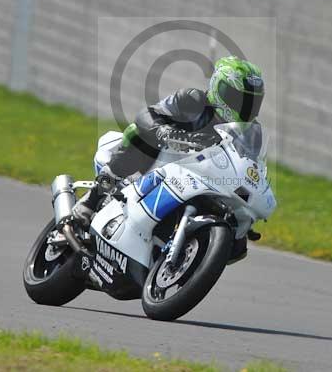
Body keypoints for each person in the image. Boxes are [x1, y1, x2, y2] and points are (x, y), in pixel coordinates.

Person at [72, 56, 265, 261]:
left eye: (251, 101)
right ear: (219, 87)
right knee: (138, 134)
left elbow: (249, 165)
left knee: (237, 247)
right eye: (238, 98)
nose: (245, 107)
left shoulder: (252, 133)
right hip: (162, 164)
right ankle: (94, 197)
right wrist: (163, 131)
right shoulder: (192, 100)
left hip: (205, 179)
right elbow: (148, 115)